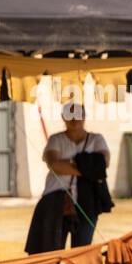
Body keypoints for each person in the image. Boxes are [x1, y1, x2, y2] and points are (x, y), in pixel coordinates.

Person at [25, 103, 112, 254]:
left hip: (87, 201)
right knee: (52, 250)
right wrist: (89, 168)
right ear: (63, 117)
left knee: (81, 251)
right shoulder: (56, 140)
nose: (74, 119)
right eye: (70, 115)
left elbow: (104, 164)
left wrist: (69, 165)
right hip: (57, 200)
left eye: (78, 114)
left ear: (84, 116)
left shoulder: (96, 139)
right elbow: (54, 165)